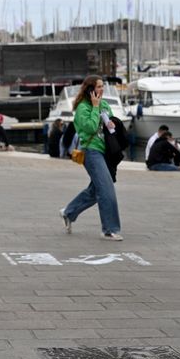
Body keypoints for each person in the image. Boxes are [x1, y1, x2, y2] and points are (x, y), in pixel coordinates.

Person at [59, 75, 123, 241]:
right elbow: (90, 127)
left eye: (103, 86)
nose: (102, 89)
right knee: (106, 189)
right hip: (91, 152)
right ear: (90, 89)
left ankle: (69, 212)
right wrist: (95, 108)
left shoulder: (105, 104)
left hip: (106, 152)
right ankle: (109, 229)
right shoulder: (82, 108)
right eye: (99, 86)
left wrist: (113, 124)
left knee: (95, 191)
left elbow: (108, 124)